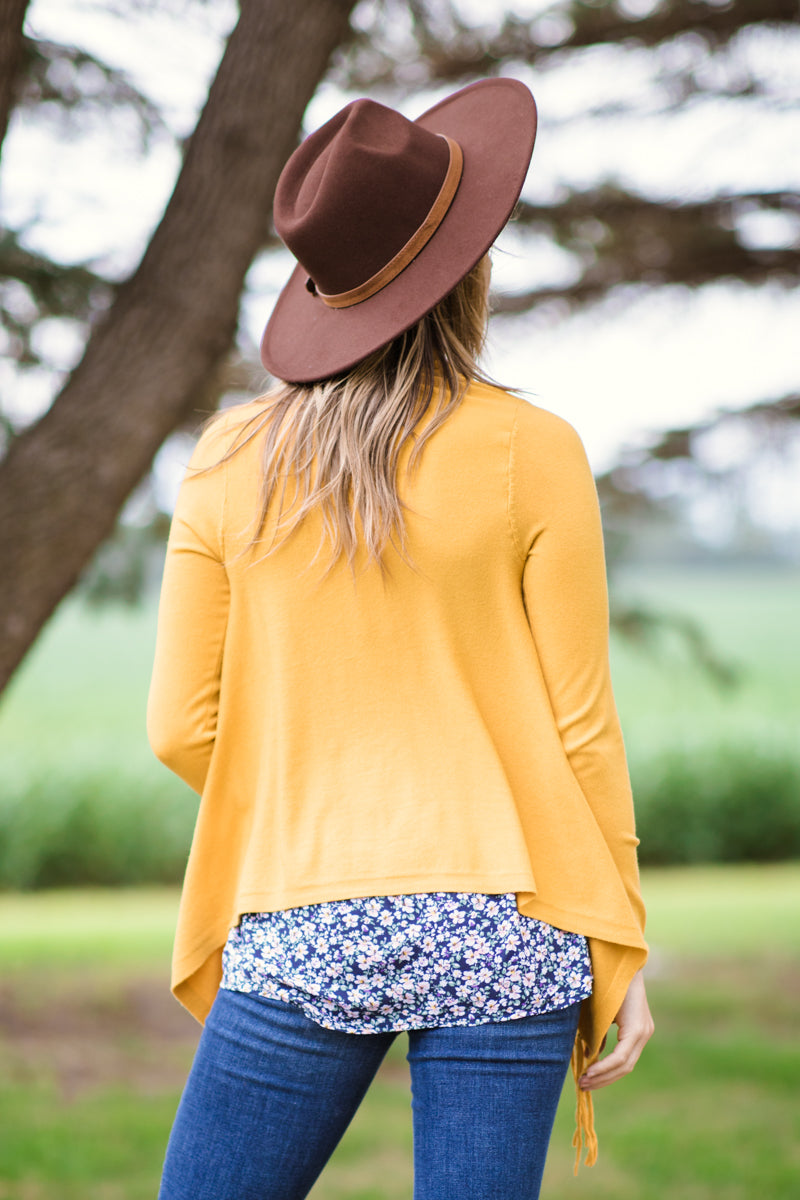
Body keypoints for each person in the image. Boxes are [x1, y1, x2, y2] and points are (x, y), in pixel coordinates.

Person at [147, 77, 653, 1200]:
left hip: (303, 907)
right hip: (506, 924)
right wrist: (618, 944)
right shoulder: (533, 448)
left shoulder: (229, 460)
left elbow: (179, 725)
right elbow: (581, 730)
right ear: (465, 269)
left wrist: (310, 806)